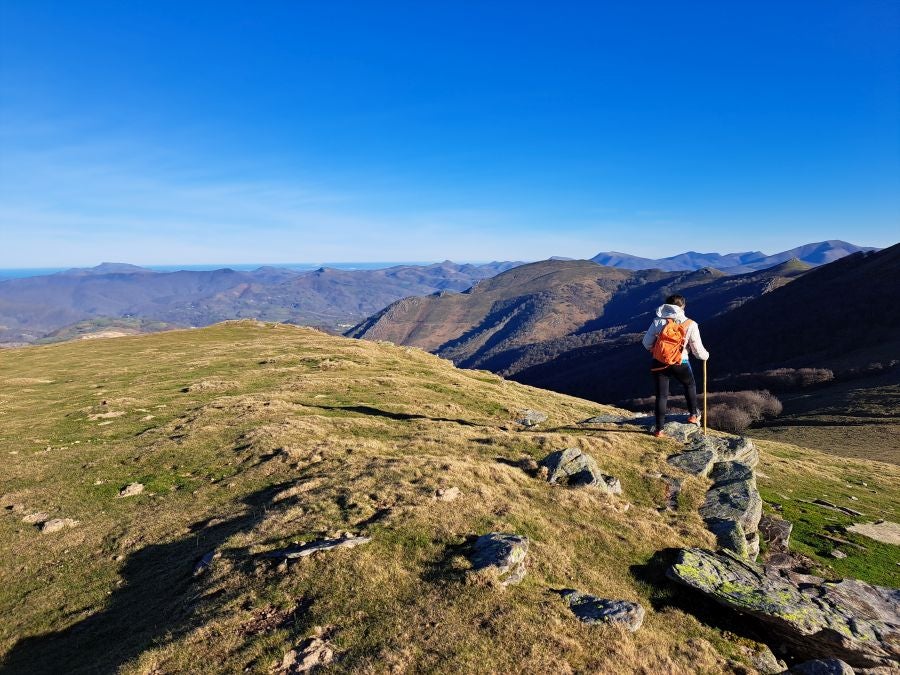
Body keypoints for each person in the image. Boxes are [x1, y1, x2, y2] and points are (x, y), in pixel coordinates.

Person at [641, 294, 709, 437]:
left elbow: (646, 342)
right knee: (689, 385)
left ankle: (659, 430)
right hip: (681, 362)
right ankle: (693, 415)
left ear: (666, 306)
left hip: (659, 363)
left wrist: (656, 351)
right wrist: (706, 356)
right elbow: (698, 351)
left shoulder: (658, 322)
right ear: (683, 306)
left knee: (662, 395)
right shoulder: (690, 324)